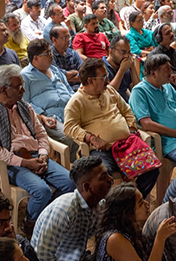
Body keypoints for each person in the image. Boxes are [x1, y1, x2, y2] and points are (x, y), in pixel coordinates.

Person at [0, 64, 75, 223]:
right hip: (11, 162)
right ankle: (31, 222)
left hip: (36, 156)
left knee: (71, 183)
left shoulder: (24, 105)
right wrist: (25, 163)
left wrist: (43, 154)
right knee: (41, 191)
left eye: (23, 85)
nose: (23, 90)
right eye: (18, 86)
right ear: (3, 89)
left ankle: (48, 216)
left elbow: (41, 134)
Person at [63, 58, 159, 194]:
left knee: (152, 168)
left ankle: (133, 201)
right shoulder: (76, 101)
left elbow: (127, 111)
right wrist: (91, 138)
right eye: (103, 77)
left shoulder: (110, 91)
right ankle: (114, 205)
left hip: (127, 144)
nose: (108, 80)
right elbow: (69, 127)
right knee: (101, 176)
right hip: (102, 151)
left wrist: (132, 129)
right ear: (90, 81)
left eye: (107, 76)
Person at [30, 156, 112, 261]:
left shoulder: (98, 204)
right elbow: (44, 257)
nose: (110, 179)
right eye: (103, 177)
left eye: (108, 174)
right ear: (87, 187)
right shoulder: (64, 211)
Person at [21, 38, 79, 156]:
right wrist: (41, 116)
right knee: (68, 138)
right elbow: (24, 103)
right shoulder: (25, 76)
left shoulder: (54, 70)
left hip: (71, 111)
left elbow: (69, 90)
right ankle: (72, 165)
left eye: (50, 51)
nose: (51, 55)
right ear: (36, 58)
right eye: (47, 53)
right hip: (50, 118)